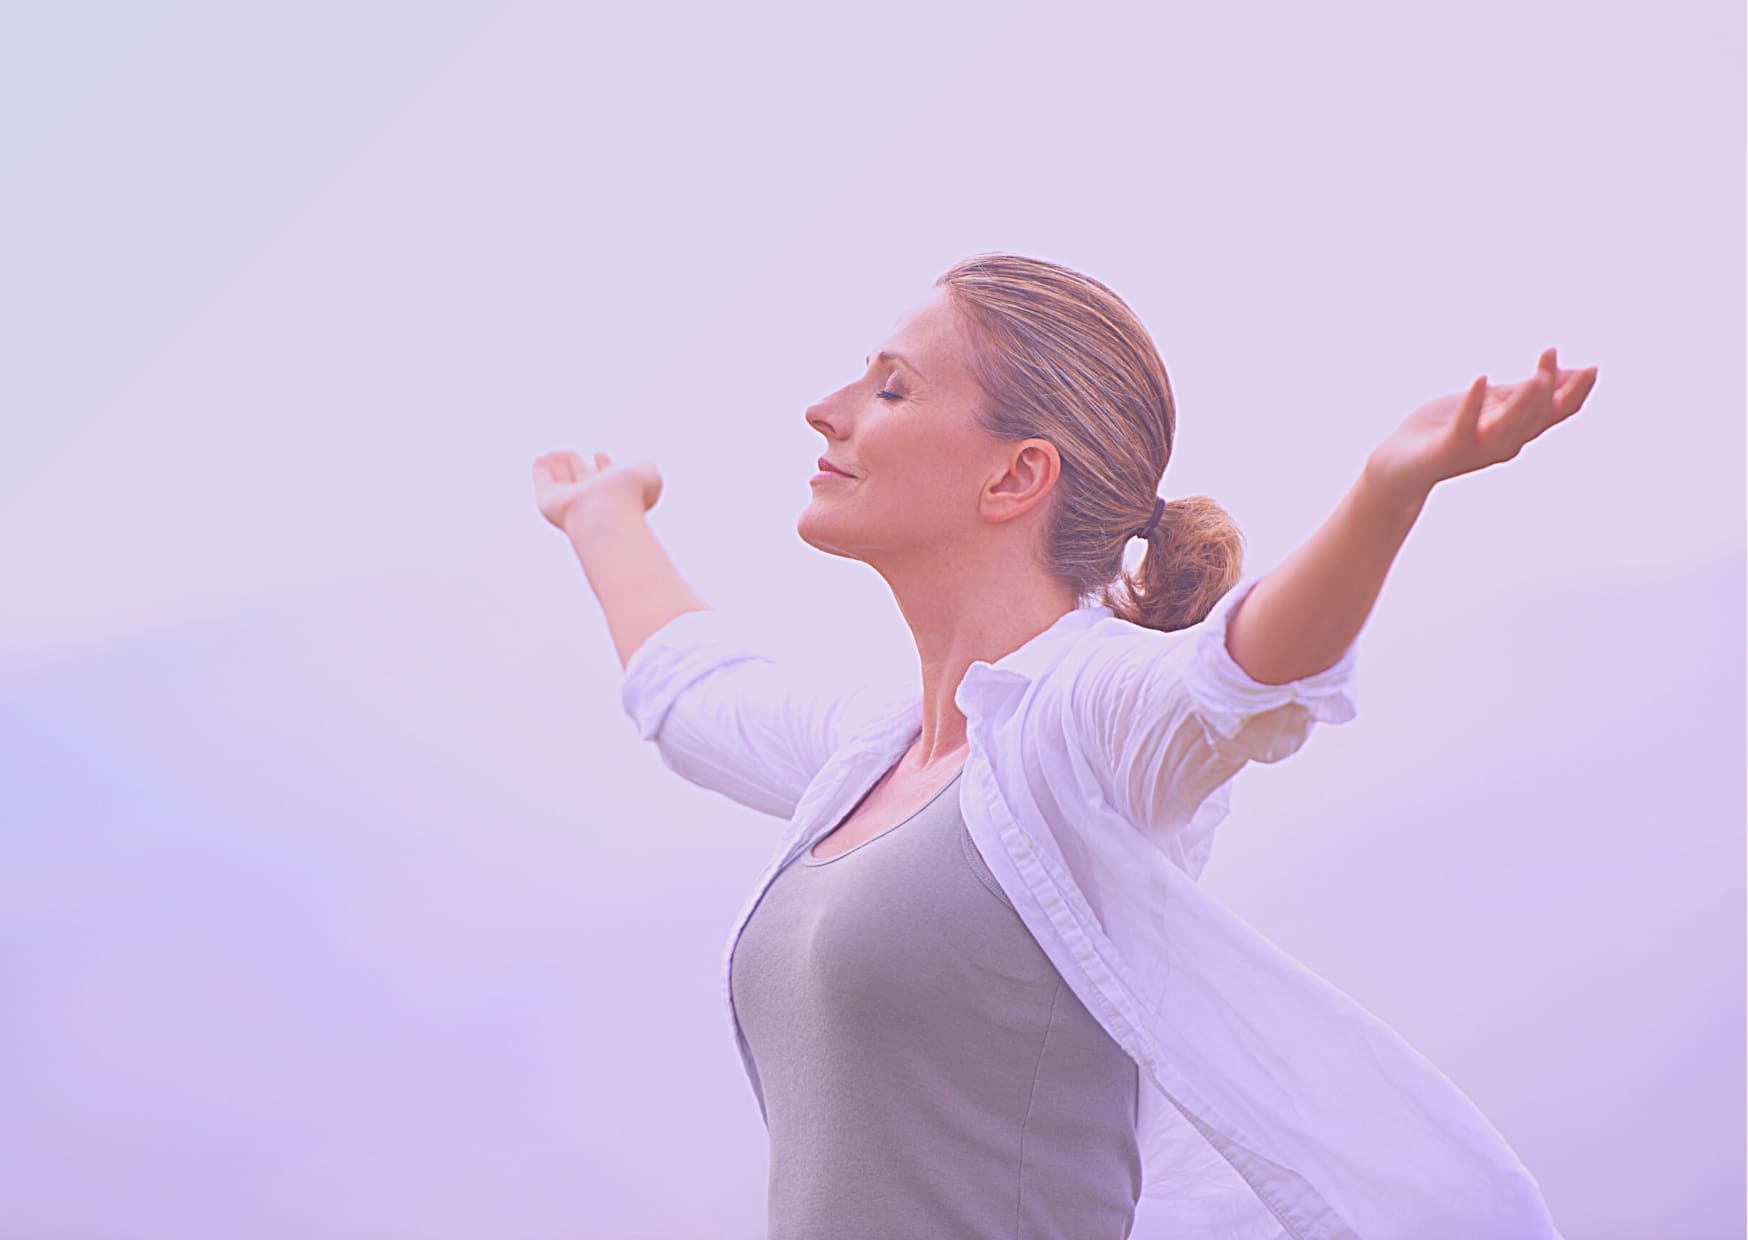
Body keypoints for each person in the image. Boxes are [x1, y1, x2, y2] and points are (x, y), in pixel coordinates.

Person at [533, 252, 1596, 1239]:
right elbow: (693, 691)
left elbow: (1239, 677)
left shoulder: (1080, 717)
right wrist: (600, 512)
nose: (826, 409)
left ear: (1015, 477)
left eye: (891, 389)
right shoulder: (871, 749)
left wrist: (1385, 493)